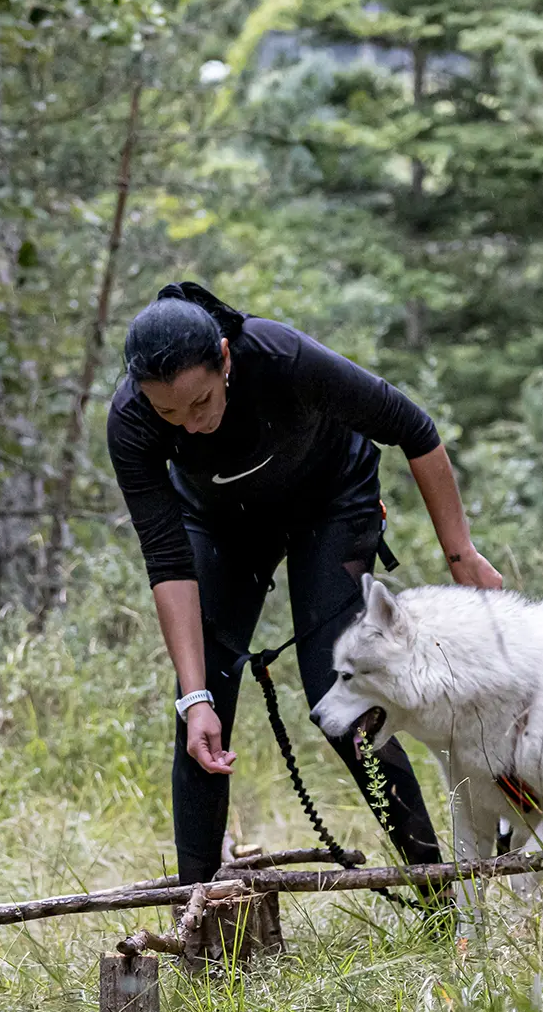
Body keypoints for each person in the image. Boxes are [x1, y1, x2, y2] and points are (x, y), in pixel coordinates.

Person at [106, 280, 504, 888]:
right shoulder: (132, 422)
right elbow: (166, 560)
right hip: (220, 523)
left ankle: (433, 892)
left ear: (225, 358)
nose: (194, 425)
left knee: (338, 693)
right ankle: (199, 927)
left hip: (331, 502)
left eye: (203, 401)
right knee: (202, 707)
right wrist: (193, 699)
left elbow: (413, 427)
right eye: (171, 414)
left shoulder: (281, 356)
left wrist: (462, 555)